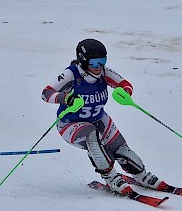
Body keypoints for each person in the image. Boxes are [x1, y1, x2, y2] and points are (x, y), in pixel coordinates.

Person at [41, 38, 164, 195]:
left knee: (119, 147)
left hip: (98, 118)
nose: (99, 67)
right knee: (92, 136)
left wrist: (125, 92)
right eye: (94, 63)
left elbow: (125, 84)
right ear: (83, 61)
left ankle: (141, 175)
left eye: (102, 61)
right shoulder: (71, 74)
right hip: (69, 124)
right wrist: (66, 98)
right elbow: (46, 93)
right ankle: (111, 177)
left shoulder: (105, 73)